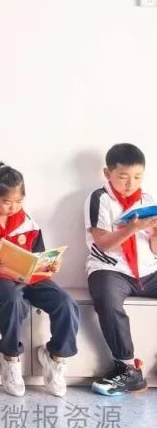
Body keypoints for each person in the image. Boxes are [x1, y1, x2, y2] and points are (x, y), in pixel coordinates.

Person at [0, 162, 79, 397]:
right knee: (13, 300)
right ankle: (10, 357)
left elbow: (39, 257)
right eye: (7, 202)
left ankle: (55, 358)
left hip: (30, 278)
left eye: (18, 201)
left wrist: (51, 266)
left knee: (65, 302)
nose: (13, 207)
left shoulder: (29, 223)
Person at [85, 143, 157, 395]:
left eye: (137, 177)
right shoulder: (99, 198)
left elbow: (155, 249)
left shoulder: (148, 200)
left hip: (149, 271)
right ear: (108, 173)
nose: (130, 183)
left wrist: (155, 233)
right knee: (107, 298)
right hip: (110, 269)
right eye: (123, 176)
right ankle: (128, 369)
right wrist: (132, 229)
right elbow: (103, 243)